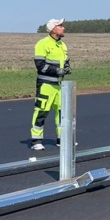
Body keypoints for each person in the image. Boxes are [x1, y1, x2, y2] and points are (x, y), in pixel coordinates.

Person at [30, 18, 72, 150]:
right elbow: (40, 65)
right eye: (60, 26)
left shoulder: (62, 45)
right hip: (46, 85)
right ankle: (36, 140)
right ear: (53, 29)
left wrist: (67, 68)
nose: (63, 28)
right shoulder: (42, 44)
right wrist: (57, 71)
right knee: (41, 110)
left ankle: (62, 139)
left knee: (62, 112)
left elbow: (65, 62)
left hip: (60, 85)